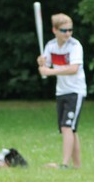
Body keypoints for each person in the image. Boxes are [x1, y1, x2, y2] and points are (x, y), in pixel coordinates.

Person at [37, 13, 87, 169]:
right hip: (61, 91)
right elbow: (45, 67)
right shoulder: (50, 46)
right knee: (70, 129)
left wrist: (50, 71)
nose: (68, 33)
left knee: (67, 127)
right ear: (55, 30)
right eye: (64, 30)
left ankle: (64, 164)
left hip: (75, 91)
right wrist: (41, 63)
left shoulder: (75, 46)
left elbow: (73, 69)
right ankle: (77, 166)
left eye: (70, 30)